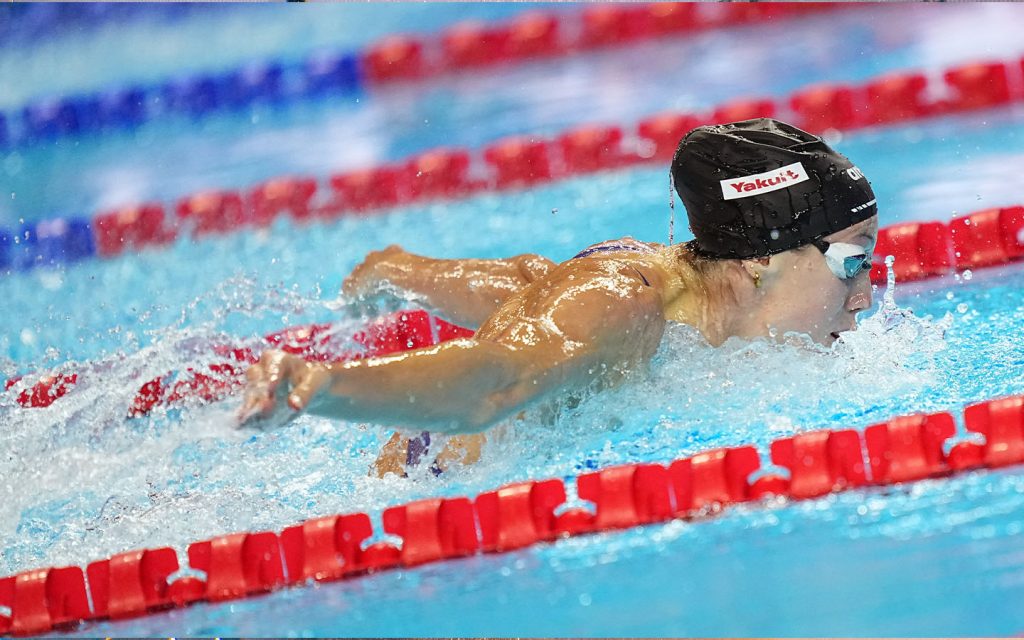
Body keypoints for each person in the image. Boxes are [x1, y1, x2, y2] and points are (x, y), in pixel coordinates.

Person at [239, 118, 879, 476]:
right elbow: (497, 383)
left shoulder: (668, 291)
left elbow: (533, 284)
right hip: (417, 498)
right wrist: (322, 385)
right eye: (853, 262)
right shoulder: (622, 302)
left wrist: (408, 274)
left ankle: (398, 270)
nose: (865, 297)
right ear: (761, 260)